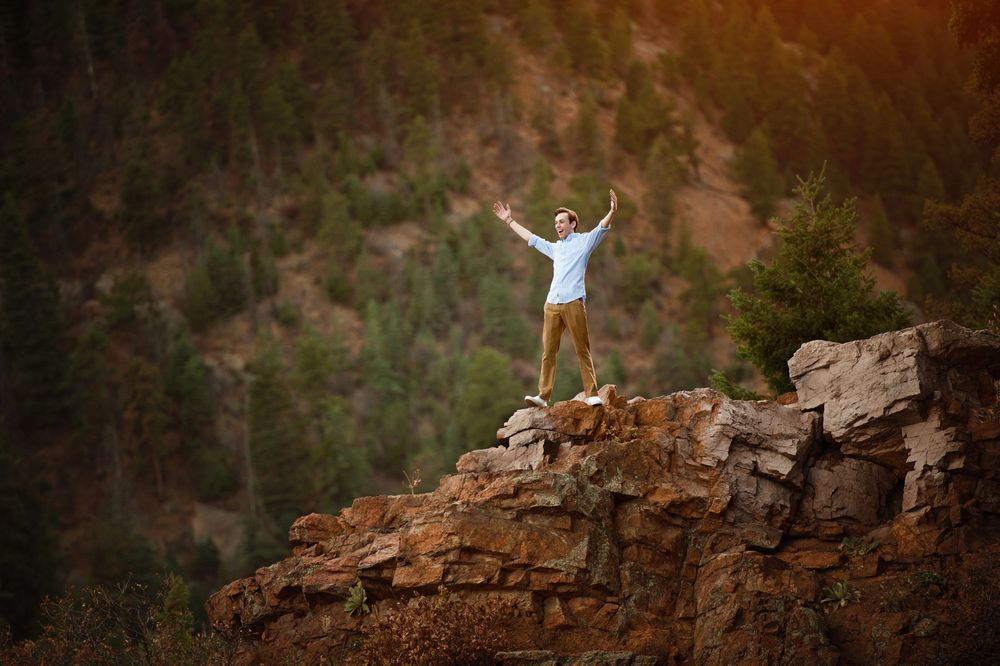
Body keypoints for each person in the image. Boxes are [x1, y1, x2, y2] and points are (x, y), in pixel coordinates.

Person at [492, 189, 618, 408]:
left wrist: (612, 211)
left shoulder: (585, 242)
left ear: (572, 224)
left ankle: (591, 394)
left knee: (582, 349)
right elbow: (531, 238)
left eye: (561, 222)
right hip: (552, 304)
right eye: (556, 223)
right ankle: (543, 396)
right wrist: (509, 220)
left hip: (574, 302)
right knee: (548, 352)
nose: (557, 226)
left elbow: (602, 227)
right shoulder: (555, 248)